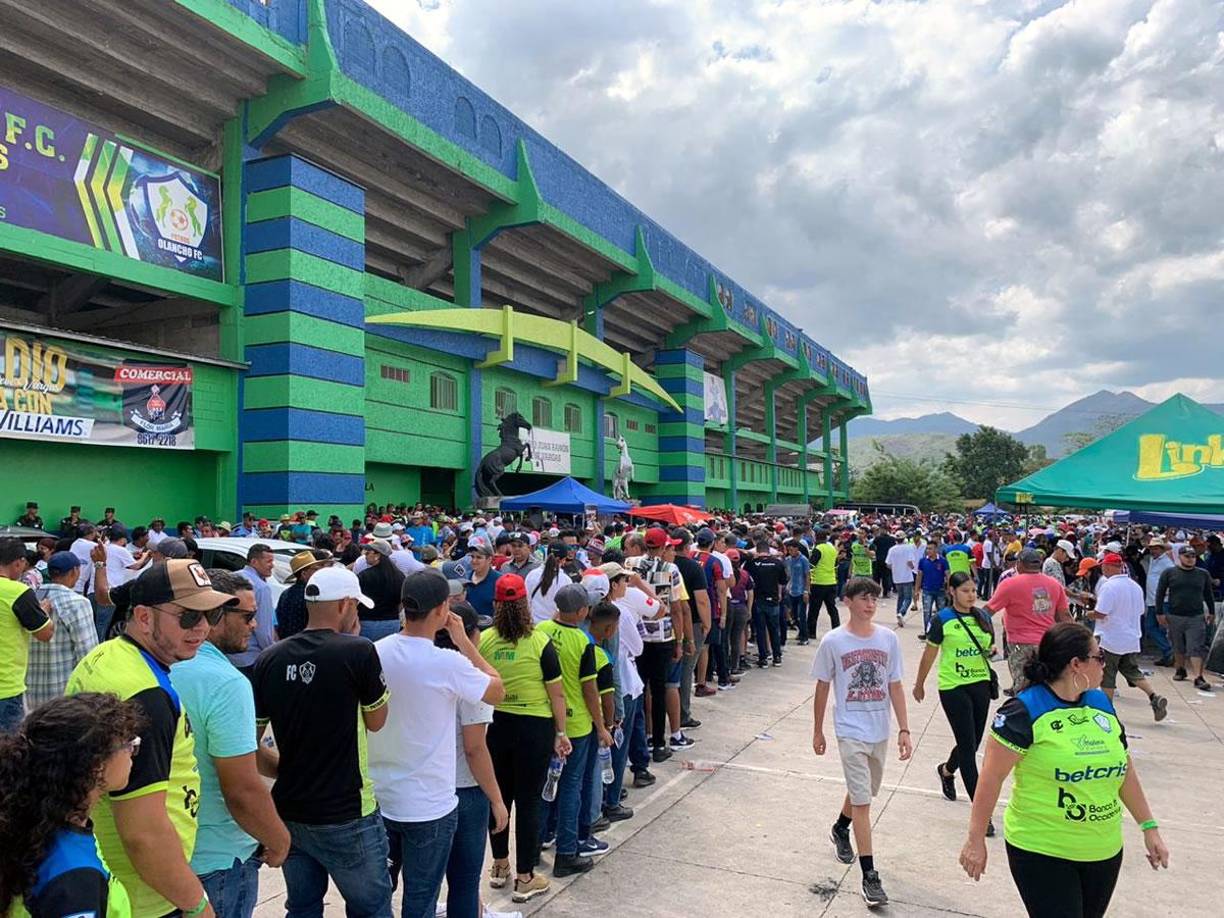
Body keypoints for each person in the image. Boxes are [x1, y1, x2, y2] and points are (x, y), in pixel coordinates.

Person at [959, 622, 1170, 917]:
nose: (1104, 665)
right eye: (1099, 658)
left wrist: (1149, 828)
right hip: (1043, 850)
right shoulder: (1024, 711)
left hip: (1103, 850)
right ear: (1076, 664)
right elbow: (991, 779)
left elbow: (1125, 771)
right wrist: (975, 839)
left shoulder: (1100, 704)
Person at [67, 560, 238, 918]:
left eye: (212, 614)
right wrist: (197, 907)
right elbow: (143, 835)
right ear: (144, 617)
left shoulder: (109, 655)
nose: (203, 628)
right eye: (189, 616)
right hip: (149, 897)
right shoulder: (145, 696)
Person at [251, 567, 392, 918]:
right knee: (371, 909)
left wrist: (287, 769)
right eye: (356, 608)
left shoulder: (270, 658)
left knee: (302, 907)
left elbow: (249, 747)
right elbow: (377, 721)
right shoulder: (358, 651)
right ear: (345, 605)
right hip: (348, 813)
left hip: (290, 811)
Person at [369, 571, 504, 918]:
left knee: (377, 897)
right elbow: (496, 689)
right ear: (443, 609)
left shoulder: (374, 652)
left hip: (380, 798)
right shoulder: (449, 663)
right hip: (429, 806)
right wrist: (464, 641)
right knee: (421, 900)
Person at [170, 570, 290, 918]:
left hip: (163, 859)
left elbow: (237, 753)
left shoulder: (154, 667)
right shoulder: (226, 683)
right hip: (219, 860)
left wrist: (282, 766)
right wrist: (278, 839)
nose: (255, 626)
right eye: (248, 616)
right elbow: (241, 789)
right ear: (215, 614)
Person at [811, 577, 910, 908]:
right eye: (864, 598)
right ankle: (870, 876)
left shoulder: (888, 639)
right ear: (847, 601)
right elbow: (823, 685)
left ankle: (841, 827)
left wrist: (904, 730)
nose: (870, 604)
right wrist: (818, 730)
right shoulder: (833, 641)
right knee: (864, 803)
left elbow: (895, 684)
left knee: (863, 791)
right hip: (849, 729)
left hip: (879, 728)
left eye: (875, 599)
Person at [0, 692, 144, 918]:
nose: (133, 751)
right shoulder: (76, 883)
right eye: (128, 744)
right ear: (96, 766)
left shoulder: (32, 816)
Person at [479, 573, 568, 903]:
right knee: (529, 802)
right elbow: (556, 694)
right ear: (526, 606)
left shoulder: (485, 639)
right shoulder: (541, 643)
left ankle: (499, 866)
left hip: (497, 725)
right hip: (535, 727)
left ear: (497, 604)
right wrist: (561, 732)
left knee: (498, 798)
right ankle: (525, 877)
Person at [438, 602, 513, 918]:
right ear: (465, 635)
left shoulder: (415, 665)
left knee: (424, 879)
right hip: (464, 788)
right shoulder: (471, 676)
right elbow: (475, 748)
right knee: (465, 880)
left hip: (425, 786)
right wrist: (497, 799)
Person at [912, 572, 997, 833]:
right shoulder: (942, 620)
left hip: (980, 684)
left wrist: (990, 651)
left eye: (973, 590)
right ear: (952, 591)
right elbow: (930, 654)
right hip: (953, 687)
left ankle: (947, 770)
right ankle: (981, 815)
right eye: (965, 591)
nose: (971, 595)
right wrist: (919, 683)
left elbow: (990, 646)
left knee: (969, 742)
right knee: (970, 751)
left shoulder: (982, 616)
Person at [538, 583, 613, 877]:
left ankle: (535, 846)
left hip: (545, 719)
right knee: (571, 788)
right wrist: (602, 726)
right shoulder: (583, 643)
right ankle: (567, 852)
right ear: (583, 611)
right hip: (576, 725)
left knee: (544, 787)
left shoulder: (540, 630)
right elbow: (590, 690)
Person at [1088, 554, 1168, 720]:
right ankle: (1153, 696)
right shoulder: (1135, 586)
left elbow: (1101, 613)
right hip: (1131, 638)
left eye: (1103, 567)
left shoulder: (1109, 587)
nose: (1102, 570)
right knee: (1131, 669)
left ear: (1108, 567)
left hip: (1110, 638)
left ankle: (1108, 712)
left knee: (1107, 675)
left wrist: (1089, 614)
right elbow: (1139, 611)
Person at [987, 549, 1071, 694]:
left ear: (1019, 564)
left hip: (1020, 644)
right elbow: (1064, 616)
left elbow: (988, 611)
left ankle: (1026, 712)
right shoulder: (1054, 584)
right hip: (1047, 643)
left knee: (1022, 685)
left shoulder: (1010, 584)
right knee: (1047, 684)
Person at [25, 552, 96, 709]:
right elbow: (87, 653)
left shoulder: (30, 599)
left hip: (29, 693)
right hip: (63, 695)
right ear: (74, 572)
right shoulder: (78, 603)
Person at [1154, 544, 1215, 690]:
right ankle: (1180, 669)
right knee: (1178, 645)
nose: (1190, 559)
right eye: (1187, 556)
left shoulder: (1203, 574)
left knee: (1196, 647)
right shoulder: (1169, 573)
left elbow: (1208, 594)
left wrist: (1211, 612)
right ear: (1179, 557)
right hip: (1175, 615)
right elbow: (1160, 594)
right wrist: (1159, 613)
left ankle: (1198, 677)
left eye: (1193, 556)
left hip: (1196, 616)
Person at [229, 544, 277, 674]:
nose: (272, 565)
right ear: (254, 562)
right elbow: (263, 632)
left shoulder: (232, 578)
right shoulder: (261, 587)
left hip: (228, 656)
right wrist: (274, 655)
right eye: (268, 561)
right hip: (251, 658)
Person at [274, 549, 333, 640]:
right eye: (315, 569)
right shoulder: (311, 595)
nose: (319, 572)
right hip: (306, 644)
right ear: (304, 574)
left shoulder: (286, 593)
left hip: (287, 644)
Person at [745, 540, 787, 667]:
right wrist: (779, 594)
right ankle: (777, 656)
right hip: (773, 599)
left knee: (760, 630)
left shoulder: (752, 564)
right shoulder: (778, 563)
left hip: (758, 601)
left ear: (757, 551)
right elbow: (782, 581)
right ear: (769, 551)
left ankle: (763, 658)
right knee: (774, 629)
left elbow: (747, 581)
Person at [356, 538, 405, 642]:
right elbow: (401, 602)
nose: (365, 555)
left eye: (368, 553)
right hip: (392, 623)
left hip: (368, 623)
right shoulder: (399, 576)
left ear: (377, 555)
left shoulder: (364, 576)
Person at [524, 542, 571, 623]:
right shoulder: (566, 580)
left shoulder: (532, 575)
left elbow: (526, 601)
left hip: (533, 626)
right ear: (563, 560)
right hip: (553, 627)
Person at [913, 542, 950, 640]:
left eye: (931, 549)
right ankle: (927, 632)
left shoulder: (943, 561)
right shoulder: (923, 561)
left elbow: (948, 575)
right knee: (926, 612)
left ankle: (942, 632)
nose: (928, 551)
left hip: (940, 590)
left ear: (936, 550)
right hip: (927, 590)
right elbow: (919, 576)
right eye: (927, 549)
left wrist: (949, 589)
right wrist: (916, 590)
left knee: (941, 612)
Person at [808, 530, 841, 638]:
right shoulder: (832, 549)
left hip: (818, 582)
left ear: (816, 538)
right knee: (832, 609)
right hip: (831, 582)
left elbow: (811, 565)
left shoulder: (818, 549)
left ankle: (811, 633)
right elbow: (836, 565)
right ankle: (837, 630)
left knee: (814, 609)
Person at [463, 542, 502, 621]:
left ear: (489, 559)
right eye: (472, 557)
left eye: (479, 557)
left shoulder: (499, 580)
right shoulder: (465, 577)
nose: (474, 561)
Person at [885, 536, 917, 629]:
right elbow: (910, 562)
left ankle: (898, 614)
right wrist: (912, 568)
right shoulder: (908, 548)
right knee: (908, 598)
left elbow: (888, 564)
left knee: (900, 597)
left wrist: (895, 569)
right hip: (907, 577)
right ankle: (901, 613)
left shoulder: (892, 549)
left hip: (897, 577)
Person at [783, 539, 812, 645]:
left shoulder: (803, 560)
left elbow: (807, 576)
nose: (790, 552)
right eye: (788, 550)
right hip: (791, 590)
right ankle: (801, 632)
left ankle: (805, 637)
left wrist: (806, 591)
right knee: (793, 615)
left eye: (791, 549)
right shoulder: (788, 560)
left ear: (796, 549)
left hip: (801, 591)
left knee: (802, 615)